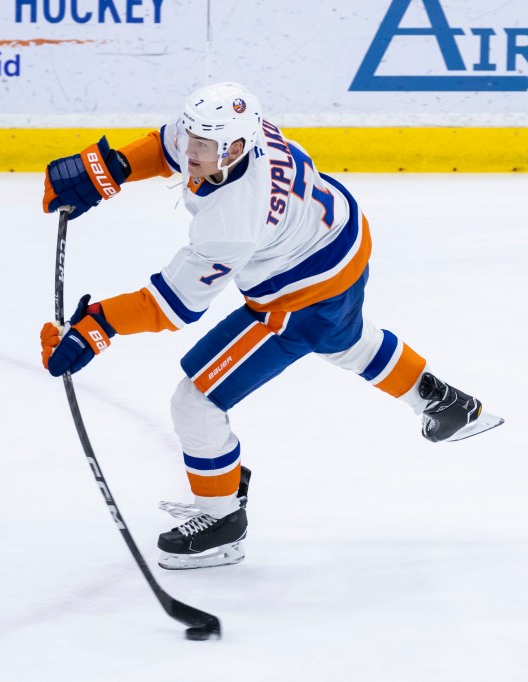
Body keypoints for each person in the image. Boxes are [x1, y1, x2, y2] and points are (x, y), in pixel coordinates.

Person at [38, 82, 503, 570]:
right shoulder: (236, 130)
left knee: (195, 403)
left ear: (235, 148)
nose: (190, 151)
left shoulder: (233, 219)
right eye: (193, 138)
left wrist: (96, 326)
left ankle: (221, 521)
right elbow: (167, 144)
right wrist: (109, 168)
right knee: (344, 339)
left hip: (304, 293)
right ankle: (444, 403)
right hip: (343, 239)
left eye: (203, 146)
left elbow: (173, 306)